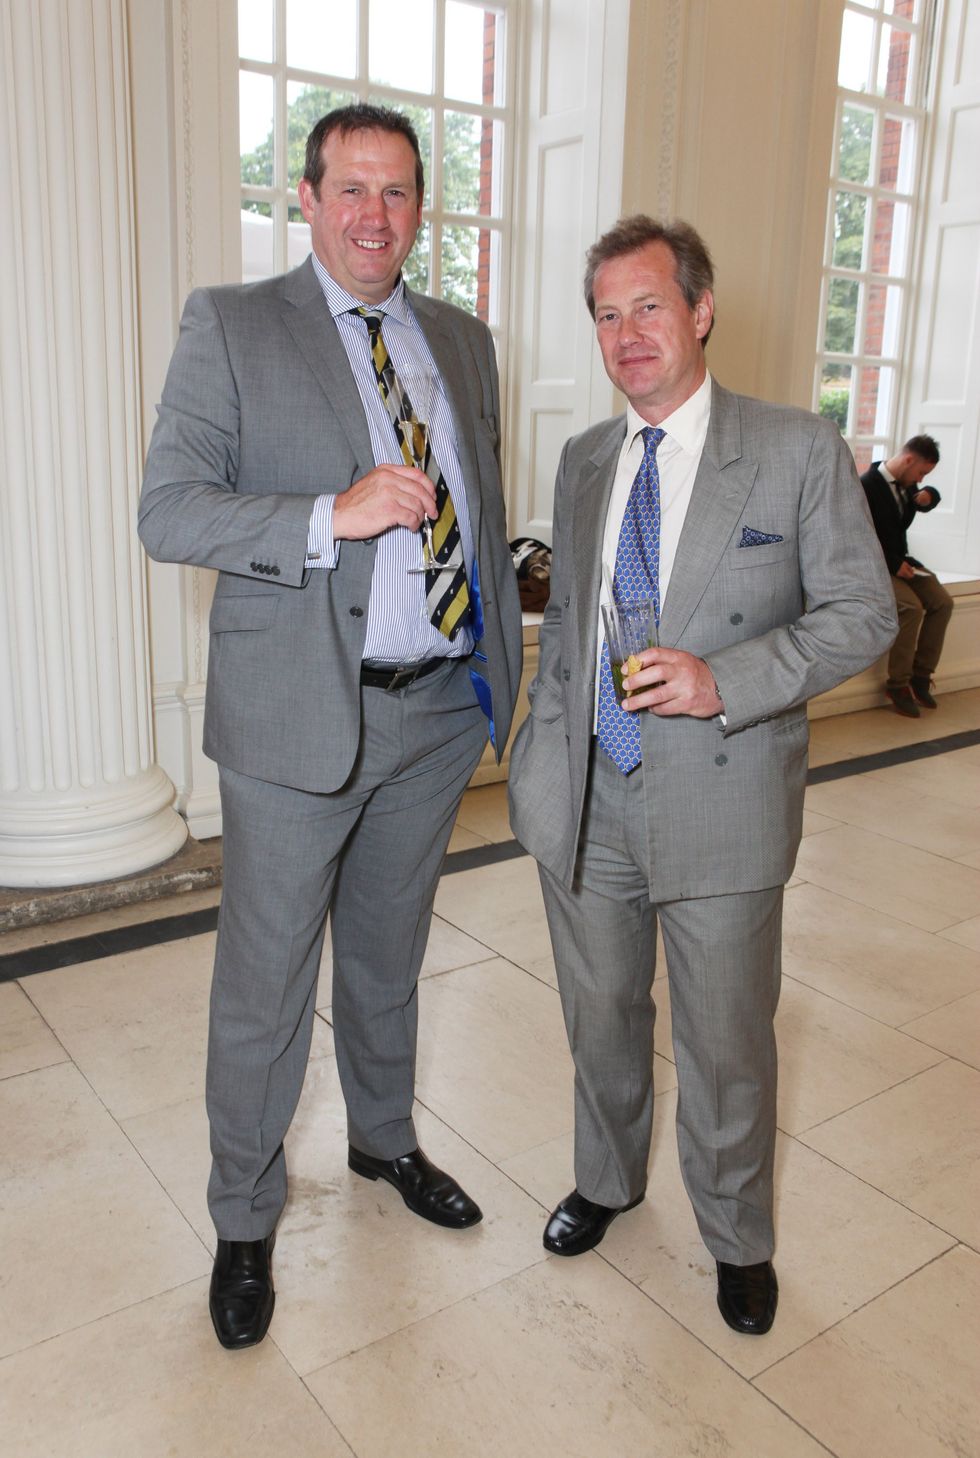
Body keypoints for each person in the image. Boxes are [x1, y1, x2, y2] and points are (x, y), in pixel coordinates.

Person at [139, 103, 522, 1351]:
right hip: (296, 715)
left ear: (421, 207)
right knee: (264, 984)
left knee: (386, 959)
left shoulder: (461, 342)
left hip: (430, 716)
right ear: (302, 197)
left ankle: (382, 1142)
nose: (374, 216)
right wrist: (328, 516)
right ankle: (245, 1220)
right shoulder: (234, 324)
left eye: (398, 192)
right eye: (349, 189)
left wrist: (495, 682)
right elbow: (171, 510)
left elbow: (484, 501)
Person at [507, 215, 896, 1337]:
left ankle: (734, 1235)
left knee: (725, 1040)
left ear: (700, 311)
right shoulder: (586, 458)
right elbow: (571, 621)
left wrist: (723, 678)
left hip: (720, 796)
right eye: (605, 314)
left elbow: (863, 612)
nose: (625, 335)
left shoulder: (789, 449)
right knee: (598, 1015)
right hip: (585, 794)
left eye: (647, 308)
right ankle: (606, 1181)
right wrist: (542, 758)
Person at [859, 437, 952, 717]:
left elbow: (923, 500)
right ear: (909, 460)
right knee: (910, 607)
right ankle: (897, 683)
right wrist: (892, 564)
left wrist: (930, 494)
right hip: (875, 565)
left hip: (903, 562)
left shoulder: (908, 484)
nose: (921, 479)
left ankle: (921, 675)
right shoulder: (867, 486)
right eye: (922, 473)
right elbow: (860, 536)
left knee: (942, 602)